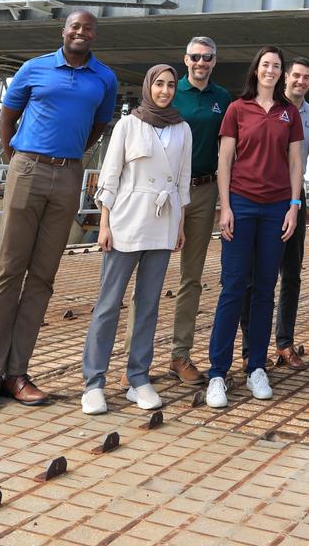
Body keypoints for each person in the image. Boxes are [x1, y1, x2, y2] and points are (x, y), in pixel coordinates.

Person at [0, 10, 118, 414]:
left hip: (68, 174)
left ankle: (18, 373)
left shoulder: (104, 78)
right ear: (64, 31)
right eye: (75, 27)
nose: (81, 33)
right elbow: (8, 115)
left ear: (94, 35)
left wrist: (70, 157)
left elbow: (98, 126)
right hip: (28, 167)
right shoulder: (34, 68)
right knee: (8, 270)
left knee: (42, 277)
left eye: (88, 28)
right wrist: (15, 158)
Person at [81, 65, 191, 415]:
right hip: (126, 219)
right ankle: (94, 382)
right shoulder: (129, 124)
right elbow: (110, 176)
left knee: (148, 304)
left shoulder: (183, 128)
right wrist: (104, 224)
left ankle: (138, 378)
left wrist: (180, 226)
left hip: (164, 221)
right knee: (108, 304)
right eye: (159, 84)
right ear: (148, 86)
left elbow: (183, 182)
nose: (165, 90)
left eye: (170, 85)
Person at [124, 35, 232, 386]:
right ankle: (133, 360)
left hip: (203, 191)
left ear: (215, 61)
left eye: (208, 58)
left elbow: (226, 149)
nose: (201, 63)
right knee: (147, 278)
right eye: (196, 57)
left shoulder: (222, 99)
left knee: (191, 278)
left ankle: (180, 355)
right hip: (162, 193)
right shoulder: (170, 92)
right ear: (186, 60)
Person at [206, 46, 303, 408]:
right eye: (266, 64)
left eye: (277, 66)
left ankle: (256, 367)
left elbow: (295, 163)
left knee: (265, 287)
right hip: (242, 205)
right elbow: (225, 160)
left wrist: (294, 206)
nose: (271, 70)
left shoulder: (288, 112)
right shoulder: (236, 109)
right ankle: (218, 372)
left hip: (276, 207)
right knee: (232, 286)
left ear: (281, 73)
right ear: (256, 70)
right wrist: (225, 206)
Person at [240, 57, 309, 370]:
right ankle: (250, 348)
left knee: (292, 273)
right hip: (261, 195)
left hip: (293, 197)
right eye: (296, 76)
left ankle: (284, 342)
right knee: (254, 275)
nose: (300, 81)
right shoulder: (266, 105)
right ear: (286, 77)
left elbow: (302, 159)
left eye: (306, 77)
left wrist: (296, 201)